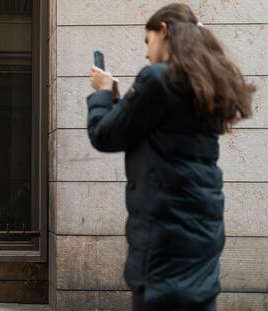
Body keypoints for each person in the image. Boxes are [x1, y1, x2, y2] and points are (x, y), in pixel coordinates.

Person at [86, 3, 255, 311]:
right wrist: (123, 102)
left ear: (164, 31)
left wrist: (100, 93)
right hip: (201, 238)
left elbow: (104, 135)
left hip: (164, 243)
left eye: (147, 42)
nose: (147, 54)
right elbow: (163, 129)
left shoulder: (157, 79)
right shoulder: (204, 83)